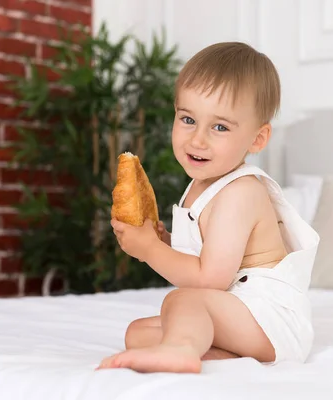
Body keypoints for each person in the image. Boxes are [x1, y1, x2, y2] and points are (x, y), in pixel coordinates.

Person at [97, 42, 320, 374]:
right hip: (236, 312)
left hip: (271, 319)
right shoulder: (203, 183)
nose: (197, 140)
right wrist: (166, 240)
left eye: (220, 127)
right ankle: (220, 357)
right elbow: (208, 249)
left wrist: (149, 250)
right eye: (188, 119)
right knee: (138, 333)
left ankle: (182, 351)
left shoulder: (241, 191)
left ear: (257, 139)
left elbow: (209, 279)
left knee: (181, 301)